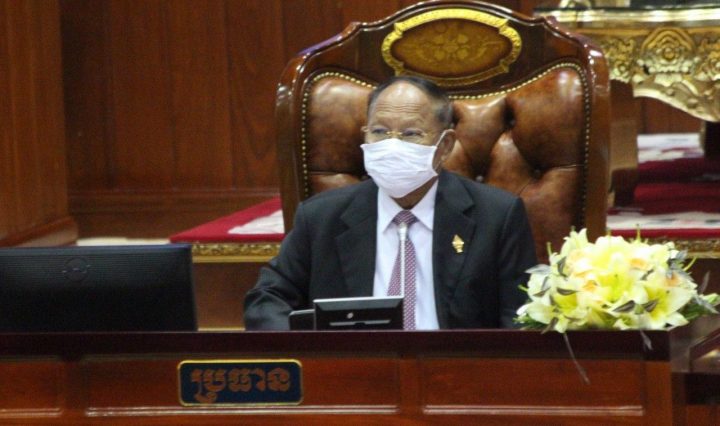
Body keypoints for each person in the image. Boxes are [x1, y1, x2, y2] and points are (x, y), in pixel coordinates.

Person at [244, 76, 537, 330]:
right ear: (365, 136)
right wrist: (313, 357)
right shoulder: (320, 217)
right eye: (380, 132)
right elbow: (267, 300)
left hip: (454, 371)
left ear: (445, 146)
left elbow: (520, 318)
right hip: (353, 370)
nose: (392, 145)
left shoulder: (497, 217)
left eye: (411, 134)